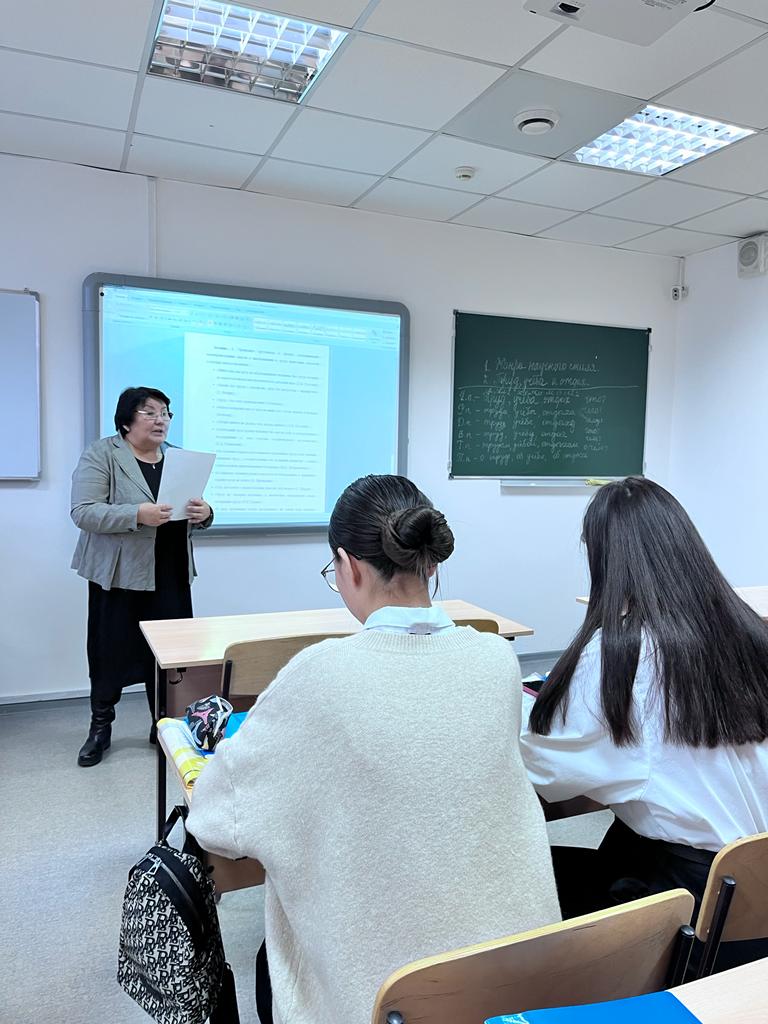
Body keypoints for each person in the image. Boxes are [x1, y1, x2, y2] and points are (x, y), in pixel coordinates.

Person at [187, 474, 559, 1024]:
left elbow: (218, 819)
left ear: (349, 566)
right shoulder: (496, 659)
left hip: (388, 1000)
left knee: (276, 956)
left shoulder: (319, 674)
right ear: (429, 563)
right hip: (515, 984)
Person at [521, 476, 768, 969]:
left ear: (603, 558)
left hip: (692, 915)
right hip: (751, 904)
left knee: (530, 874)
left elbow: (548, 772)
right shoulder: (750, 630)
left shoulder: (621, 655)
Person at [70, 386, 213, 767]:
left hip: (170, 573)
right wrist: (136, 514)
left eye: (165, 413)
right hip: (119, 575)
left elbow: (193, 508)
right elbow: (83, 511)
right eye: (150, 412)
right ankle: (100, 728)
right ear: (126, 421)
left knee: (169, 656)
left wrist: (205, 513)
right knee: (110, 651)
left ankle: (163, 725)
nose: (160, 420)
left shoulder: (179, 458)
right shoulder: (102, 454)